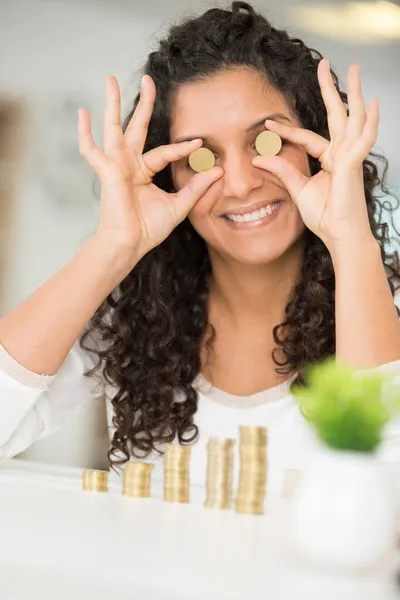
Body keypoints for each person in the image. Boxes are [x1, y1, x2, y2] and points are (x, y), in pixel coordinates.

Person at [0, 1, 400, 494]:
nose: (237, 184)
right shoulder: (133, 319)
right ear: (168, 175)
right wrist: (113, 246)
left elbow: (385, 495)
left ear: (316, 144)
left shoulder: (389, 310)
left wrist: (350, 238)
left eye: (267, 144)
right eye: (202, 156)